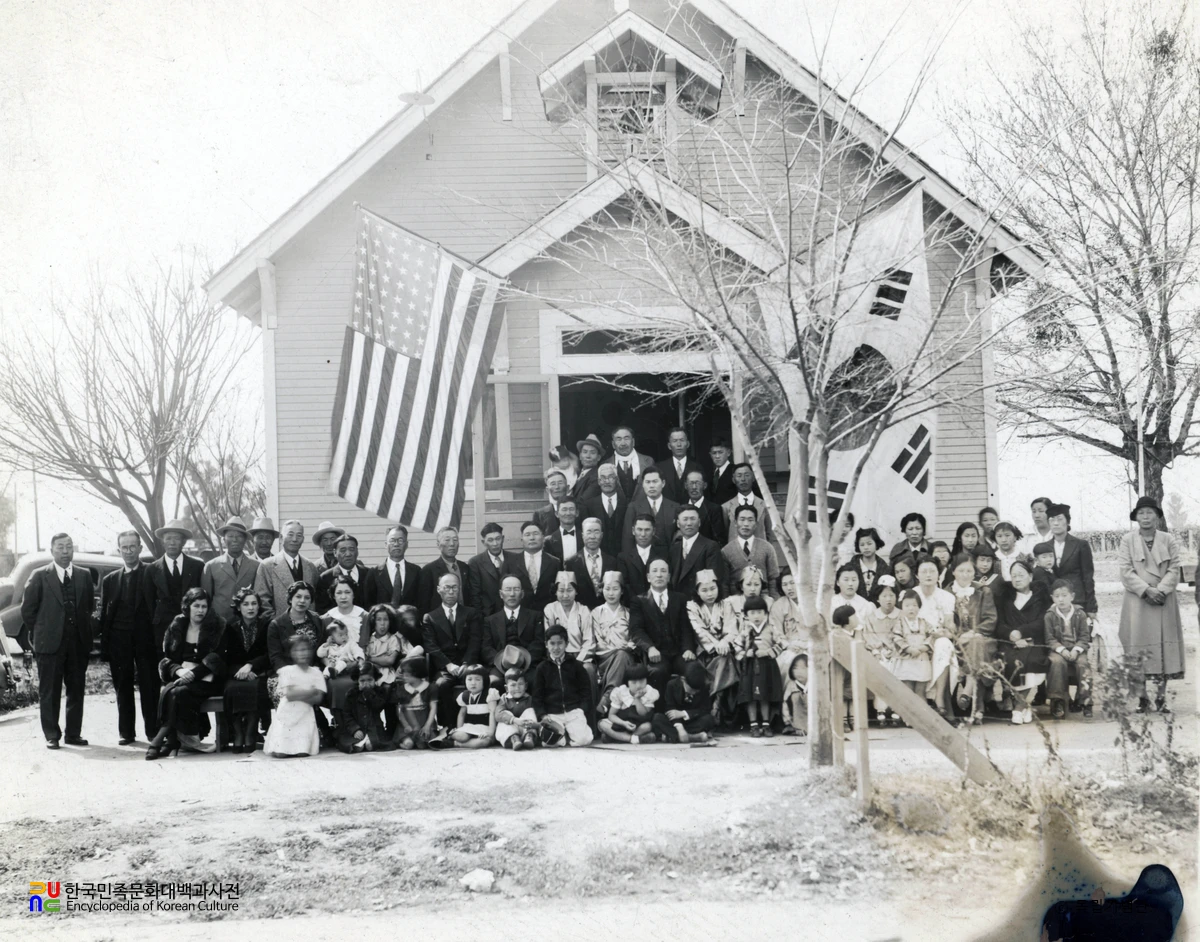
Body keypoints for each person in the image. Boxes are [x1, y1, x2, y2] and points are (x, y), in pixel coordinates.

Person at [23, 532, 95, 749]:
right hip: (49, 644)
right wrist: (44, 631)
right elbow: (28, 611)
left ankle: (73, 734)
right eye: (61, 547)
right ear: (52, 550)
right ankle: (52, 734)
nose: (65, 551)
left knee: (76, 689)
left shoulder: (84, 575)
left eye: (69, 547)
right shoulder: (39, 575)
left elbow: (89, 607)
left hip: (77, 643)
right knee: (49, 690)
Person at [1118, 496, 1185, 713]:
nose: (1146, 517)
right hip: (1138, 602)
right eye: (1141, 513)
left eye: (1150, 512)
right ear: (1136, 517)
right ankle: (1142, 698)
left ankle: (1161, 697)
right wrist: (1146, 590)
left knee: (1163, 646)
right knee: (1138, 647)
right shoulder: (1127, 540)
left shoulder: (1168, 540)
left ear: (1157, 516)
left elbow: (1175, 569)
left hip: (1163, 601)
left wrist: (1161, 590)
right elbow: (1125, 571)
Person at [147, 587, 227, 759]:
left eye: (204, 606)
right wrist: (180, 671)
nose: (200, 610)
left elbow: (217, 658)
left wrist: (193, 674)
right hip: (182, 675)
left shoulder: (217, 625)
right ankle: (171, 741)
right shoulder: (178, 624)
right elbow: (167, 657)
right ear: (187, 606)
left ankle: (160, 739)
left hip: (208, 678)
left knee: (178, 692)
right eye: (196, 606)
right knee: (173, 691)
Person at [99, 529, 155, 745]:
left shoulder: (151, 573)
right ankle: (126, 733)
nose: (129, 551)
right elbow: (105, 614)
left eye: (133, 546)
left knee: (149, 685)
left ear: (140, 548)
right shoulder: (111, 579)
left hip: (145, 638)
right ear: (119, 549)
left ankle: (152, 731)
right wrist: (105, 647)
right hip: (119, 640)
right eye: (125, 547)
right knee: (122, 685)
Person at [266, 580, 331, 744]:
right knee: (284, 693)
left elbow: (321, 648)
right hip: (285, 673)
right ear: (290, 599)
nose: (302, 601)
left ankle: (313, 733)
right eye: (298, 597)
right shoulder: (277, 624)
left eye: (307, 598)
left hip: (313, 670)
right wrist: (292, 676)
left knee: (315, 689)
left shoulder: (316, 620)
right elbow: (275, 657)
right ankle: (289, 739)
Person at [421, 572, 483, 727]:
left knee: (479, 679)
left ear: (459, 589)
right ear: (438, 589)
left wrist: (466, 663)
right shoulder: (430, 617)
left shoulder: (471, 613)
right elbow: (431, 646)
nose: (450, 592)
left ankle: (476, 724)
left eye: (454, 588)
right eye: (447, 587)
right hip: (445, 667)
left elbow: (475, 641)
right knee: (441, 685)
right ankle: (448, 727)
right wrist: (448, 665)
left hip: (467, 665)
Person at [629, 558, 697, 697]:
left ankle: (689, 711)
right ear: (648, 577)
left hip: (679, 652)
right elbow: (636, 630)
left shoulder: (680, 599)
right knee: (657, 673)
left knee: (694, 669)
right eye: (654, 571)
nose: (659, 575)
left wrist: (688, 648)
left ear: (669, 577)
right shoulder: (639, 601)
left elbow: (686, 627)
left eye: (663, 571)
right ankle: (660, 712)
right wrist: (650, 648)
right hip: (656, 654)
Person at [995, 559, 1051, 725]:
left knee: (1033, 660)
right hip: (1010, 641)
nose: (1017, 579)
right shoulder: (1005, 598)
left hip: (1034, 640)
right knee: (1011, 661)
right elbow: (999, 623)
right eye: (1013, 576)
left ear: (1030, 576)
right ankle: (1024, 704)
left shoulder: (1041, 597)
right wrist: (1011, 634)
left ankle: (1019, 707)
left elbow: (1043, 620)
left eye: (1021, 575)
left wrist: (1023, 633)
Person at [947, 553, 1000, 725]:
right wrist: (957, 636)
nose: (965, 574)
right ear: (953, 571)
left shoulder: (983, 591)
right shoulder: (946, 593)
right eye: (961, 570)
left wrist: (973, 632)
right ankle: (977, 706)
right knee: (973, 650)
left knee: (976, 644)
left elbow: (991, 620)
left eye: (969, 570)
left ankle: (968, 693)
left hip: (981, 637)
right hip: (954, 641)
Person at [222, 587, 272, 753]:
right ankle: (238, 733)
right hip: (236, 672)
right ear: (238, 607)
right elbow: (225, 657)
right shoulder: (230, 627)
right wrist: (240, 670)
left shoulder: (266, 626)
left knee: (256, 688)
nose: (250, 608)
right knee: (231, 689)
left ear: (259, 606)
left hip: (258, 671)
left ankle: (250, 732)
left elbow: (269, 654)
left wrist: (251, 666)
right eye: (246, 604)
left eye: (254, 604)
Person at [144, 519, 204, 654]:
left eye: (176, 538)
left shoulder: (197, 567)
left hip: (190, 626)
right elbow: (149, 602)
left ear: (183, 542)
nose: (172, 542)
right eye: (168, 538)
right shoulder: (152, 569)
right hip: (162, 629)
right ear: (163, 541)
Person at [687, 569, 740, 716]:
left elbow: (732, 629)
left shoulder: (726, 604)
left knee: (725, 659)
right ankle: (716, 699)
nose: (710, 594)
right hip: (704, 653)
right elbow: (699, 630)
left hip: (724, 651)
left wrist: (724, 643)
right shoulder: (692, 606)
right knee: (724, 660)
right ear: (697, 591)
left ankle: (715, 703)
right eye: (704, 590)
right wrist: (718, 645)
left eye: (713, 589)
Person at [531, 624, 594, 746]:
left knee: (584, 740)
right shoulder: (542, 668)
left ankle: (573, 733)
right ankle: (564, 735)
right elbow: (537, 695)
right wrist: (542, 714)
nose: (556, 647)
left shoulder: (576, 665)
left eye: (560, 643)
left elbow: (585, 691)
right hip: (553, 714)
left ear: (566, 643)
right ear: (546, 644)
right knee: (549, 743)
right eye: (552, 644)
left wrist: (581, 709)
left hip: (573, 711)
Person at [264, 634, 326, 757]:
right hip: (286, 714)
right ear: (292, 653)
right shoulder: (286, 671)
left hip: (305, 716)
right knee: (281, 754)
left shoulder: (316, 673)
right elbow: (289, 695)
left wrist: (299, 693)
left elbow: (318, 698)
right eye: (299, 650)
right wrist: (310, 691)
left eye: (307, 649)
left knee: (302, 752)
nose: (304, 653)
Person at [482, 574, 546, 688]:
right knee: (493, 682)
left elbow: (539, 643)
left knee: (536, 680)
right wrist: (502, 662)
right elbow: (486, 648)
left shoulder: (535, 616)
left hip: (528, 665)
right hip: (500, 666)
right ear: (501, 594)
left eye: (516, 589)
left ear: (522, 594)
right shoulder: (489, 620)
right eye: (508, 589)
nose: (512, 594)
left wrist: (522, 662)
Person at [735, 594, 782, 737]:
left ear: (766, 614)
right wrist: (745, 654)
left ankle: (766, 724)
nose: (756, 616)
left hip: (767, 667)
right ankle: (754, 724)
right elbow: (736, 647)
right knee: (750, 696)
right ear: (746, 615)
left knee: (765, 695)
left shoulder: (771, 629)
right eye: (752, 612)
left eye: (760, 612)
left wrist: (768, 652)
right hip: (749, 667)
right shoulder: (745, 631)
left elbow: (781, 644)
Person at [1045, 579, 1093, 719]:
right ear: (1052, 598)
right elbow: (1049, 638)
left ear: (1072, 596)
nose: (1061, 599)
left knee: (1083, 664)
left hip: (1077, 649)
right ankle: (1058, 701)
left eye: (1064, 595)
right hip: (1058, 651)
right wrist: (1061, 650)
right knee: (1057, 663)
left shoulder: (1080, 614)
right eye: (1057, 596)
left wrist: (1076, 650)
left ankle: (1085, 701)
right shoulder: (1050, 615)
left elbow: (1085, 636)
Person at [254, 520, 320, 619]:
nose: (294, 539)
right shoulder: (267, 566)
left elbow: (315, 600)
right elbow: (263, 602)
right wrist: (278, 625)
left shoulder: (310, 567)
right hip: (280, 629)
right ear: (281, 538)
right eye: (290, 534)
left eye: (299, 535)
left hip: (308, 628)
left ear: (303, 539)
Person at [770, 571, 809, 736]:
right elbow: (775, 631)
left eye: (792, 583)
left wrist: (808, 645)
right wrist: (789, 645)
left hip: (809, 646)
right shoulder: (779, 605)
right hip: (789, 647)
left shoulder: (811, 602)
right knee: (787, 664)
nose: (789, 588)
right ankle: (789, 720)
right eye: (785, 584)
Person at [201, 516, 260, 624]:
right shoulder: (211, 566)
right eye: (230, 536)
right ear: (224, 539)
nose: (234, 540)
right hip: (219, 624)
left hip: (247, 623)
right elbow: (206, 599)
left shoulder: (256, 566)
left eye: (239, 536)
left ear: (245, 540)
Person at [591, 571, 638, 706]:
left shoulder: (629, 613)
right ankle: (609, 696)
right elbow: (597, 640)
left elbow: (634, 637)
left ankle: (608, 696)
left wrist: (628, 646)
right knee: (619, 655)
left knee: (622, 655)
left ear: (622, 591)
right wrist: (614, 651)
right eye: (607, 588)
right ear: (601, 590)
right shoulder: (595, 612)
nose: (611, 593)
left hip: (625, 656)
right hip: (604, 657)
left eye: (615, 589)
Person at [544, 571, 595, 688]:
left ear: (576, 591)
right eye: (561, 591)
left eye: (569, 590)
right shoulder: (550, 609)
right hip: (557, 654)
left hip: (580, 657)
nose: (565, 595)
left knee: (588, 670)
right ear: (555, 592)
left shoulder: (583, 610)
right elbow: (549, 639)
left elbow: (589, 641)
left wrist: (578, 662)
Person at [1046, 503, 1097, 618]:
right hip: (1053, 603)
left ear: (1067, 521)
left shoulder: (1080, 545)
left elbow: (1088, 577)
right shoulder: (1045, 547)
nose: (1055, 523)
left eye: (1060, 519)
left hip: (1077, 600)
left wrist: (1091, 607)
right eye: (1051, 519)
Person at [860, 579, 900, 724]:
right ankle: (881, 709)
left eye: (891, 595)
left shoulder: (901, 616)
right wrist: (879, 650)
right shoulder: (871, 618)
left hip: (898, 653)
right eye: (884, 596)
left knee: (897, 668)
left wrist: (895, 650)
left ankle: (897, 708)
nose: (888, 599)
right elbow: (868, 637)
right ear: (878, 598)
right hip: (879, 653)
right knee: (881, 667)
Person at [651, 660, 716, 744]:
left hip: (692, 720)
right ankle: (691, 737)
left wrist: (684, 713)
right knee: (657, 718)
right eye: (691, 690)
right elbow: (670, 709)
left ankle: (674, 737)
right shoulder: (671, 685)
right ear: (683, 679)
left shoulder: (703, 686)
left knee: (709, 719)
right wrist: (680, 728)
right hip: (675, 723)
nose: (694, 693)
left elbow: (705, 709)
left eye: (696, 691)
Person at [722, 505, 780, 596]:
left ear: (756, 524)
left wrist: (774, 601)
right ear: (735, 522)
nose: (746, 524)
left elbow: (773, 578)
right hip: (736, 603)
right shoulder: (726, 551)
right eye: (742, 519)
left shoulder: (767, 548)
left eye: (750, 520)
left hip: (763, 601)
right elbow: (724, 584)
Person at [890, 588, 932, 710]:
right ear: (901, 607)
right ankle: (909, 718)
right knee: (907, 690)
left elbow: (931, 637)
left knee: (920, 691)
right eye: (907, 605)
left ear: (919, 607)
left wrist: (922, 648)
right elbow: (896, 637)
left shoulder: (924, 622)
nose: (911, 608)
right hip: (906, 660)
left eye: (914, 605)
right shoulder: (900, 623)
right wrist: (908, 649)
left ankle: (923, 717)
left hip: (921, 659)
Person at [670, 505, 725, 597]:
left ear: (699, 522)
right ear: (678, 524)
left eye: (692, 519)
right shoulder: (674, 547)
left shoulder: (710, 546)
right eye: (685, 519)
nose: (689, 523)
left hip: (699, 600)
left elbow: (714, 580)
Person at [621, 467, 679, 554]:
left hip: (669, 558)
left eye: (655, 481)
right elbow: (628, 538)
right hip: (641, 558)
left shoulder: (675, 507)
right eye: (647, 482)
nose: (651, 486)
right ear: (643, 484)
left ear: (663, 483)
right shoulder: (633, 507)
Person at [337, 663, 393, 753]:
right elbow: (347, 714)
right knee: (354, 746)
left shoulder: (379, 692)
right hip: (357, 728)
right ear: (357, 681)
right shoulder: (352, 694)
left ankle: (369, 742)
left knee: (372, 744)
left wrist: (370, 694)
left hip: (374, 728)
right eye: (362, 681)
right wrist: (354, 729)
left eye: (370, 680)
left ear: (375, 679)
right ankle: (361, 742)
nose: (366, 684)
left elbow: (378, 707)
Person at [598, 663, 658, 744]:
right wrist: (623, 723)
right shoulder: (621, 692)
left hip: (638, 724)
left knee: (648, 726)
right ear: (627, 682)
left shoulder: (649, 692)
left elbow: (643, 714)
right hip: (621, 724)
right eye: (634, 682)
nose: (638, 686)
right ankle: (631, 739)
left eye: (642, 681)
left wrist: (637, 699)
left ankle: (616, 737)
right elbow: (611, 715)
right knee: (602, 724)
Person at [509, 521, 563, 610]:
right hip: (521, 613)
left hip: (547, 612)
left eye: (535, 534)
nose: (532, 538)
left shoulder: (555, 562)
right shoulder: (511, 562)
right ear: (521, 539)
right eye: (527, 534)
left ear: (543, 537)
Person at [568, 517, 620, 610]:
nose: (592, 536)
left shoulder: (612, 561)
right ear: (582, 535)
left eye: (596, 532)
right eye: (589, 532)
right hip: (581, 613)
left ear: (601, 535)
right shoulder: (571, 562)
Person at [366, 525, 421, 610]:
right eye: (392, 540)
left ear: (406, 544)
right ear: (385, 544)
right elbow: (369, 603)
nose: (396, 544)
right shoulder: (374, 572)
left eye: (400, 540)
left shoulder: (416, 571)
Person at [466, 522, 514, 617]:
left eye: (498, 539)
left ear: (503, 539)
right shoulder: (475, 562)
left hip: (512, 614)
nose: (495, 544)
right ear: (484, 542)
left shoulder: (515, 559)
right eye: (490, 540)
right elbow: (475, 595)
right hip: (487, 617)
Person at [417, 526, 467, 615]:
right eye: (447, 540)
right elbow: (424, 603)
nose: (452, 544)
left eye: (455, 540)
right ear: (438, 545)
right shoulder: (429, 570)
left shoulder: (465, 568)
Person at [582, 464, 628, 557]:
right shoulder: (589, 505)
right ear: (599, 481)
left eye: (611, 477)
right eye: (603, 478)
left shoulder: (627, 504)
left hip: (623, 557)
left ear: (616, 480)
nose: (607, 481)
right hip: (598, 557)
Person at [618, 513, 669, 598]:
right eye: (639, 529)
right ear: (633, 531)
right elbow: (625, 586)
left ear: (654, 531)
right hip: (632, 605)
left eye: (647, 530)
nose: (643, 534)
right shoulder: (623, 557)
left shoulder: (663, 555)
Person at [316, 534, 370, 612]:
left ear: (357, 551)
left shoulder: (368, 574)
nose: (348, 554)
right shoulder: (326, 578)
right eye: (343, 550)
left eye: (351, 549)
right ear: (335, 553)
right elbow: (322, 609)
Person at [721, 464, 773, 543]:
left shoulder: (765, 505)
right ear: (733, 480)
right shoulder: (726, 507)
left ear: (753, 478)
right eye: (739, 476)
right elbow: (724, 534)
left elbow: (770, 534)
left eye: (747, 475)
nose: (743, 479)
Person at [394, 656, 438, 749]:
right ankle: (402, 743)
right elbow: (400, 710)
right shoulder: (402, 689)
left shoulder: (430, 687)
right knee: (408, 744)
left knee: (423, 745)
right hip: (408, 722)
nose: (404, 676)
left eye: (407, 674)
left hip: (424, 720)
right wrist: (406, 725)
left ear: (417, 673)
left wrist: (427, 725)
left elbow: (433, 708)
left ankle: (420, 739)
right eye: (403, 674)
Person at [450, 666, 498, 748]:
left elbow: (492, 713)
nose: (473, 683)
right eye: (469, 679)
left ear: (485, 681)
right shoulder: (464, 695)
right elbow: (462, 714)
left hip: (485, 728)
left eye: (477, 679)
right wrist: (459, 729)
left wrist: (490, 733)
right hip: (469, 727)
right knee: (461, 736)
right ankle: (457, 738)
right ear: (465, 681)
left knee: (483, 742)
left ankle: (454, 744)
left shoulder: (490, 693)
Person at [655, 426, 704, 504]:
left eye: (682, 440)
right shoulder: (659, 468)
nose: (679, 444)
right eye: (674, 441)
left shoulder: (697, 467)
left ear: (688, 444)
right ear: (669, 446)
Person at [494, 667, 540, 750]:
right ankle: (514, 739)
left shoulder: (529, 699)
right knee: (505, 714)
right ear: (506, 688)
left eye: (520, 684)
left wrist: (533, 724)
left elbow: (536, 717)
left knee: (530, 711)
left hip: (525, 729)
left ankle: (529, 737)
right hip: (510, 730)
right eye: (513, 685)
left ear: (526, 686)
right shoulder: (504, 698)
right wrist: (514, 719)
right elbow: (497, 715)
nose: (517, 688)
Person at [323, 574, 369, 649]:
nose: (343, 597)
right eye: (339, 593)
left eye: (347, 592)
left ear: (353, 594)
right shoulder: (326, 619)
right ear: (334, 595)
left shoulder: (365, 616)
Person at [610, 425, 655, 499]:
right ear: (613, 444)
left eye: (626, 438)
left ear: (633, 442)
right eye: (618, 439)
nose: (623, 443)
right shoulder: (605, 464)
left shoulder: (648, 462)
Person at [364, 603, 405, 685]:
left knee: (385, 686)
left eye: (385, 619)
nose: (382, 623)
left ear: (390, 622)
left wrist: (369, 659)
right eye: (378, 619)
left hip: (385, 673)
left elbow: (390, 660)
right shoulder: (368, 638)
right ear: (373, 621)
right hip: (368, 672)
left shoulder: (393, 639)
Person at [683, 469, 727, 544]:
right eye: (691, 483)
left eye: (698, 483)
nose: (694, 487)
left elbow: (719, 541)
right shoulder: (680, 508)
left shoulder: (714, 510)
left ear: (705, 485)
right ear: (685, 486)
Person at [850, 527, 891, 602]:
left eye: (869, 544)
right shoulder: (852, 565)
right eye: (862, 545)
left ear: (876, 543)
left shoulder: (884, 568)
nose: (866, 547)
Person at [533, 469, 571, 536]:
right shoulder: (539, 514)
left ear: (567, 488)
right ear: (547, 490)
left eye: (560, 483)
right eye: (553, 484)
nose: (557, 487)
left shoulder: (581, 509)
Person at [544, 497, 581, 564]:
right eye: (564, 509)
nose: (568, 513)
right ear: (557, 514)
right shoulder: (548, 541)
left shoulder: (585, 538)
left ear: (577, 513)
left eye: (571, 509)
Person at [571, 433, 605, 504]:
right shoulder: (576, 473)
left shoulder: (597, 477)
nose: (588, 456)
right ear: (580, 456)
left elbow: (582, 501)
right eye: (585, 452)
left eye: (592, 453)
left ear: (598, 457)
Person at [708, 438, 737, 506]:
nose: (717, 456)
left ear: (728, 453)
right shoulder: (710, 474)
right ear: (710, 455)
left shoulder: (735, 471)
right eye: (714, 453)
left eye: (720, 452)